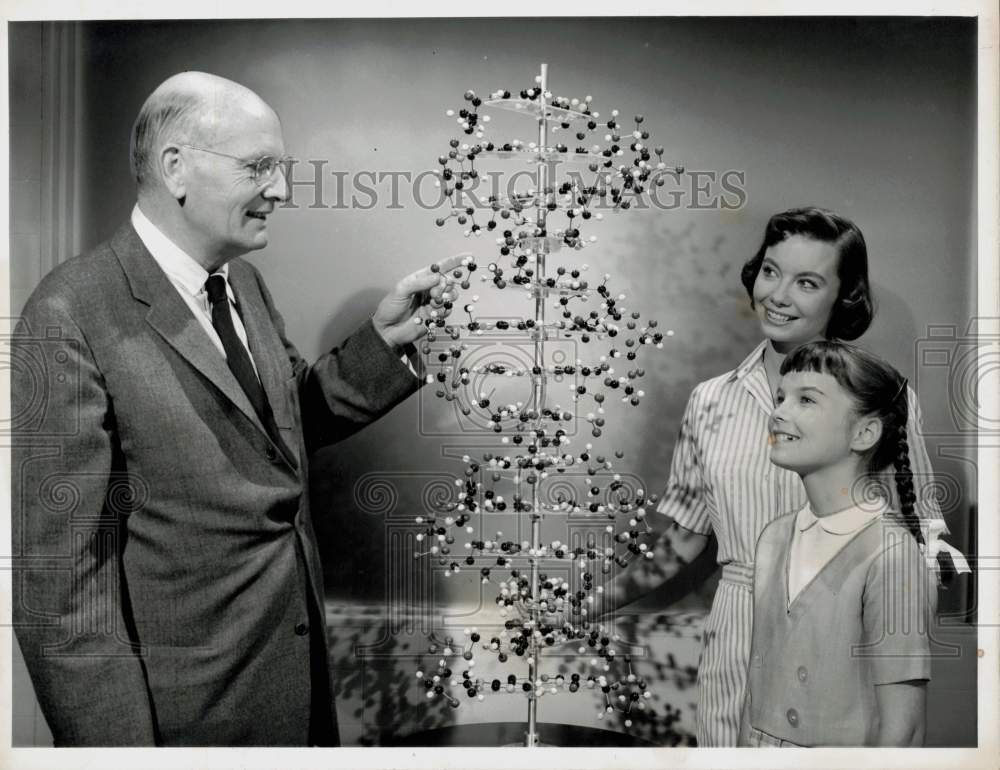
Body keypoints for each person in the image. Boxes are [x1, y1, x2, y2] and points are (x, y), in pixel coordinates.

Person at [11, 71, 461, 746]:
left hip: (297, 698)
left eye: (280, 169)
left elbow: (274, 433)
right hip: (185, 726)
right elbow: (60, 587)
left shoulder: (243, 283)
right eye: (259, 167)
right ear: (176, 168)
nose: (280, 190)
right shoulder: (67, 312)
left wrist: (383, 344)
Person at [609, 207, 948, 746]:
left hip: (840, 637)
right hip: (736, 631)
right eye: (770, 272)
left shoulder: (883, 400)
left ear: (844, 297)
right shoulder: (710, 400)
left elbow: (919, 535)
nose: (779, 295)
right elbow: (681, 543)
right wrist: (587, 602)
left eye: (807, 282)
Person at [739, 341, 932, 747]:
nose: (778, 413)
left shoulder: (891, 554)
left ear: (864, 433)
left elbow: (904, 730)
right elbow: (756, 697)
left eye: (806, 399)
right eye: (780, 397)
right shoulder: (774, 538)